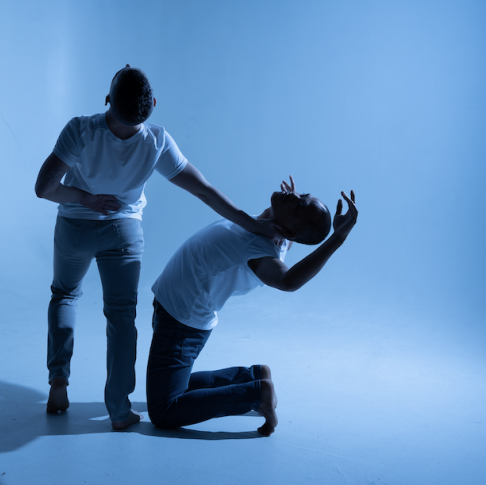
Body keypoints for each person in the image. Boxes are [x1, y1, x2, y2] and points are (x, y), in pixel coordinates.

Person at [34, 65, 279, 430]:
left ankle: (58, 383)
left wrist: (86, 198)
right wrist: (253, 223)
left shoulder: (81, 129)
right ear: (152, 105)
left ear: (107, 100)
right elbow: (205, 191)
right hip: (123, 233)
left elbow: (45, 187)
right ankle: (118, 410)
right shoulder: (157, 142)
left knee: (65, 296)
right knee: (121, 316)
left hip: (74, 226)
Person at [146, 177, 358, 436]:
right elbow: (290, 233)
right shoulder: (269, 229)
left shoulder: (260, 245)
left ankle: (255, 394)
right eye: (302, 195)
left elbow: (287, 280)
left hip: (181, 323)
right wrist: (289, 205)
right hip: (176, 313)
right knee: (171, 388)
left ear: (288, 231)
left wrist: (337, 238)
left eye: (299, 205)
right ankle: (253, 376)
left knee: (163, 410)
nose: (295, 196)